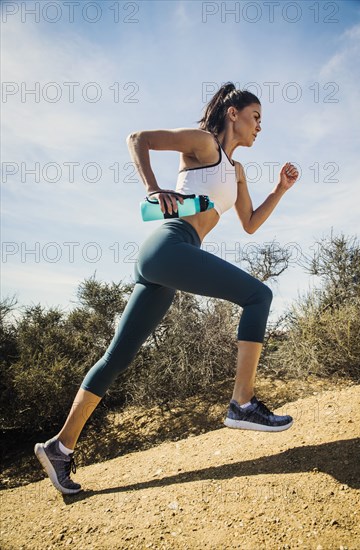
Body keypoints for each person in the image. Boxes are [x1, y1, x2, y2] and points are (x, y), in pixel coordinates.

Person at [34, 82, 299, 495]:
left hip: (170, 258)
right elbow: (137, 139)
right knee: (258, 296)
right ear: (233, 114)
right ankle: (243, 404)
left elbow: (249, 224)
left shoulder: (237, 170)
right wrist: (153, 189)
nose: (260, 127)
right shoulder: (204, 144)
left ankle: (59, 448)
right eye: (256, 117)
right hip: (169, 244)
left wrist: (279, 191)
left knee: (116, 357)